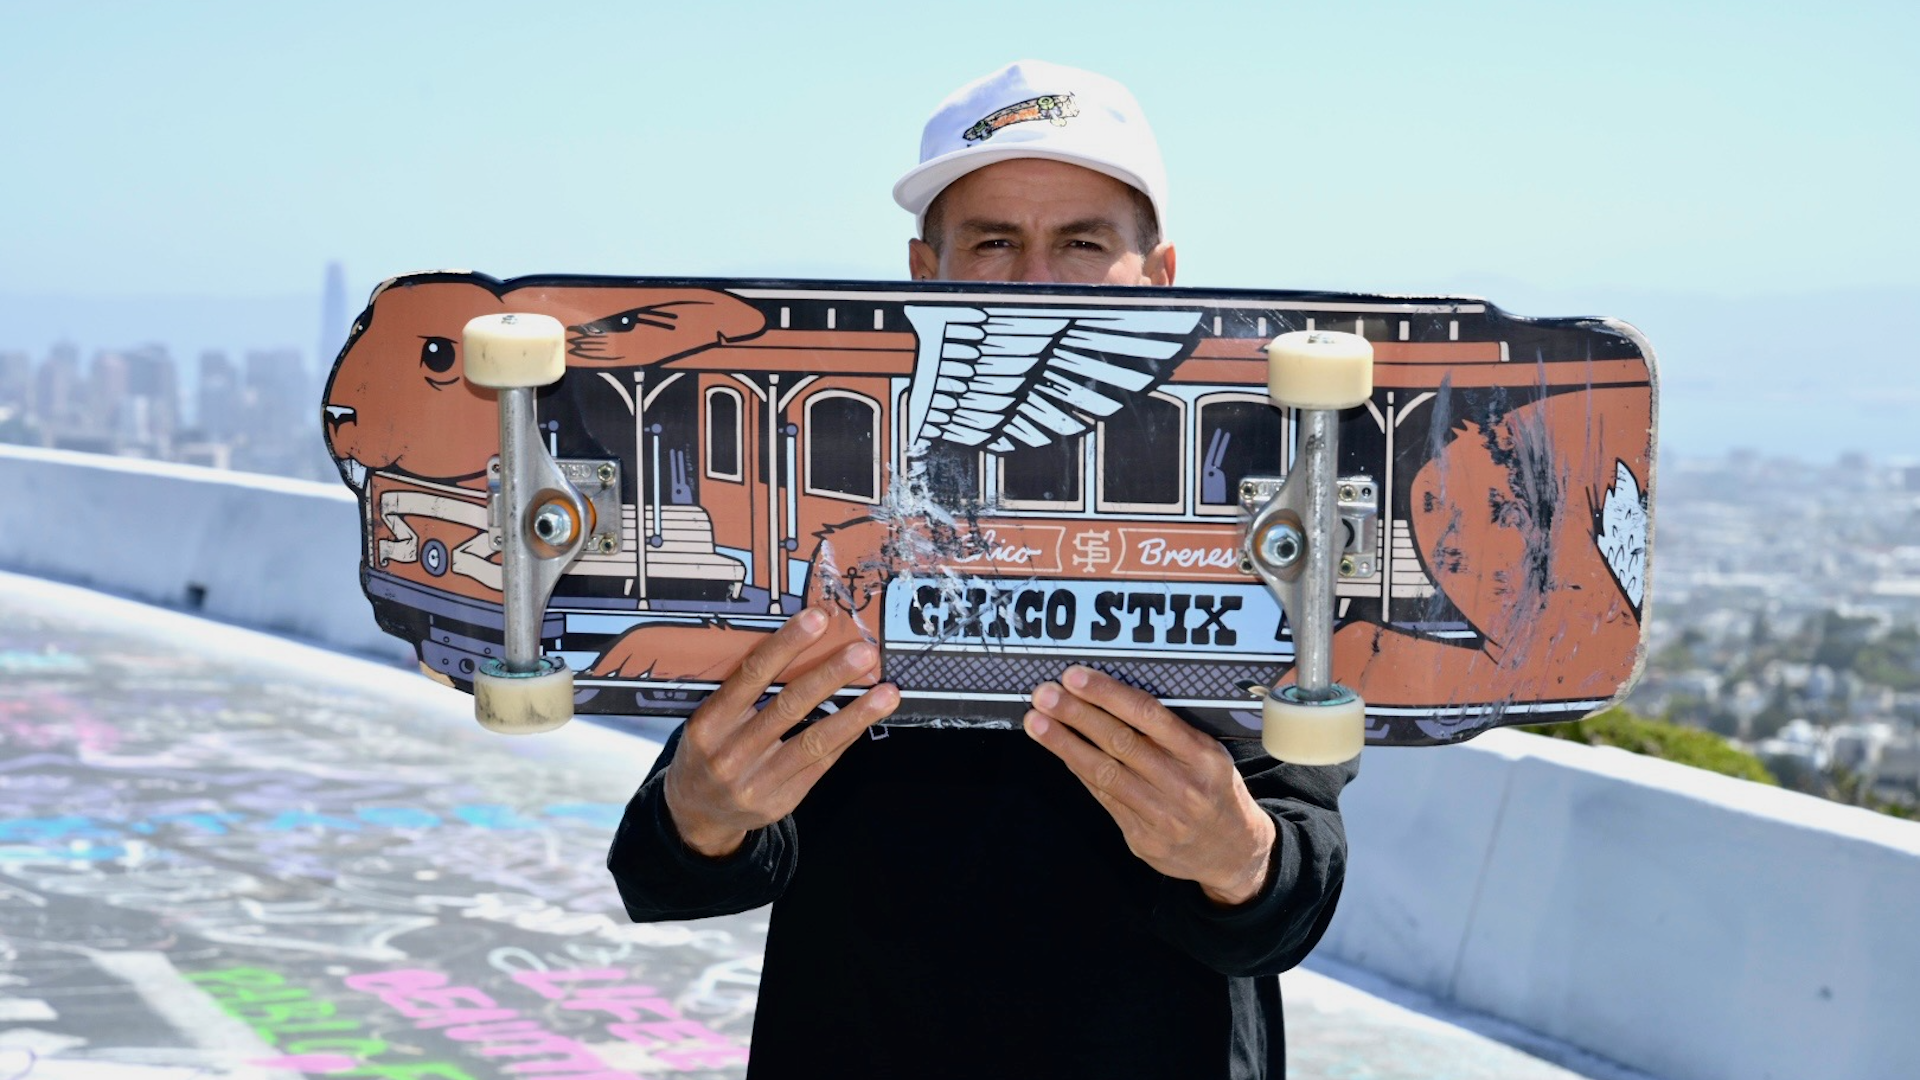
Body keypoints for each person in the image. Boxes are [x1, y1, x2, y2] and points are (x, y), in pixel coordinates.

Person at [607, 60, 1355, 1079]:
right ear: (925, 271)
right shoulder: (841, 513)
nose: (1035, 280)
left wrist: (1238, 859)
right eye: (993, 243)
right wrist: (702, 813)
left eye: (1083, 244)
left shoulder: (1265, 508)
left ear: (1164, 276)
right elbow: (666, 867)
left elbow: (1292, 884)